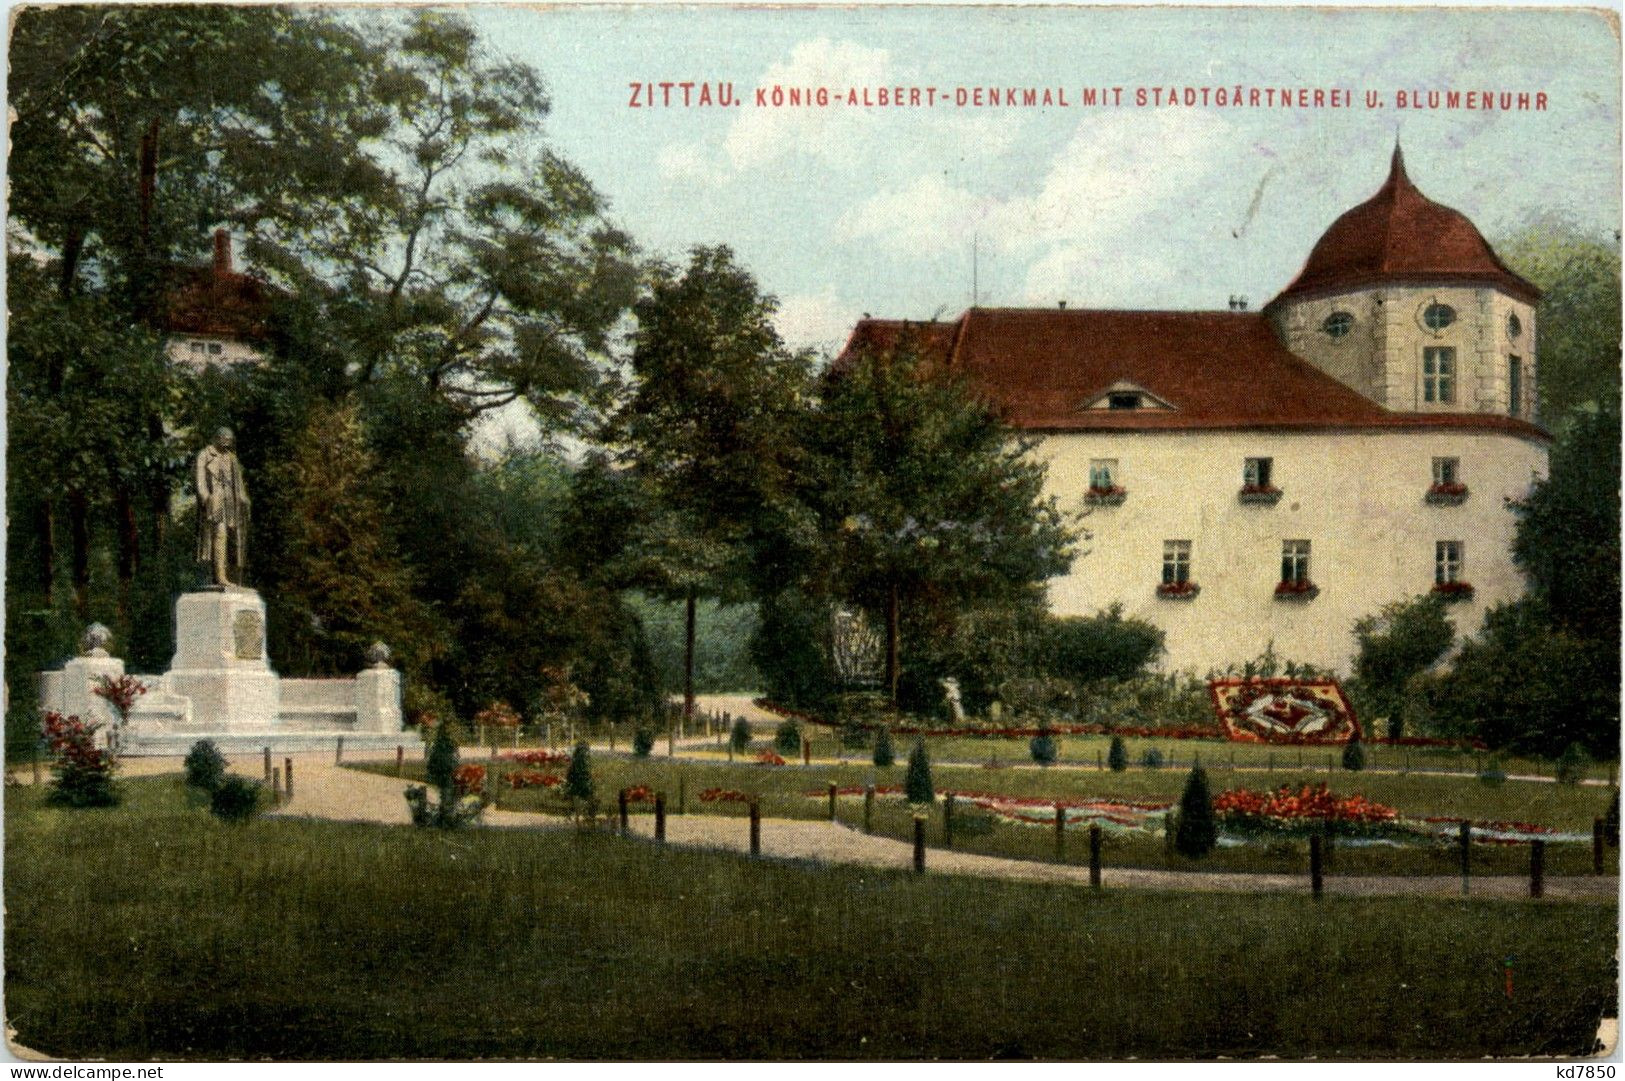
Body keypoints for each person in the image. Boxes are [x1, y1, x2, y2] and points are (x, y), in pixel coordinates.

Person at [195, 427, 250, 586]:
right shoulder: (205, 455)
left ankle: (228, 574)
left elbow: (238, 483)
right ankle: (220, 576)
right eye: (224, 440)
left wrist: (244, 499)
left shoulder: (231, 458)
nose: (227, 444)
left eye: (229, 441)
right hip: (215, 502)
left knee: (233, 539)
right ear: (217, 438)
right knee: (220, 534)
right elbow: (200, 481)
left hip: (231, 503)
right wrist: (206, 498)